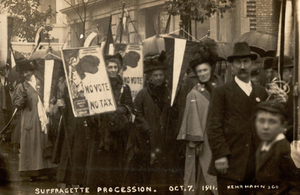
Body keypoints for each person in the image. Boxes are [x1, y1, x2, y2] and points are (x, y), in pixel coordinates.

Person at [206, 42, 268, 195]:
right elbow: (213, 126)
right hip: (229, 165)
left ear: (252, 64)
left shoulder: (261, 92)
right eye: (238, 62)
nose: (242, 66)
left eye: (246, 62)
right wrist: (220, 155)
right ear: (232, 66)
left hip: (255, 167)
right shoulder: (221, 92)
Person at [177, 40, 221, 195]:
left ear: (211, 69)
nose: (202, 74)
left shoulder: (220, 88)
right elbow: (190, 118)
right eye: (199, 71)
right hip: (202, 141)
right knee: (202, 177)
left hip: (218, 139)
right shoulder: (194, 93)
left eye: (205, 70)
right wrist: (196, 140)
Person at [133, 51, 181, 194]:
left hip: (167, 143)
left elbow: (177, 113)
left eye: (161, 75)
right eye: (155, 75)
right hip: (148, 143)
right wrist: (147, 128)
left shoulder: (169, 94)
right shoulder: (142, 95)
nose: (159, 78)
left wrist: (173, 112)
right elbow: (137, 114)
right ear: (150, 77)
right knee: (151, 177)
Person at [85, 53, 133, 190]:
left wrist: (119, 110)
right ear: (105, 69)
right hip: (100, 131)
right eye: (110, 67)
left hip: (116, 132)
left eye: (115, 67)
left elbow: (129, 106)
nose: (112, 70)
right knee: (98, 163)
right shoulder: (98, 86)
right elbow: (90, 105)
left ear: (118, 69)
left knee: (114, 162)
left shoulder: (124, 87)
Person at [13, 59, 56, 181]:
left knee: (45, 141)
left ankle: (48, 169)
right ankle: (32, 171)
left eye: (27, 72)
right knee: (32, 144)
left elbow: (48, 96)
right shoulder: (21, 87)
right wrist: (22, 99)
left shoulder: (41, 83)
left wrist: (50, 101)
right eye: (23, 73)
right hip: (30, 119)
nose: (25, 75)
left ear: (32, 71)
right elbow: (17, 105)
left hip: (43, 117)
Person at [253, 101, 300, 195]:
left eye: (272, 122)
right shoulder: (264, 145)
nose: (265, 127)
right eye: (261, 121)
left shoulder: (284, 151)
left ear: (283, 126)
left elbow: (296, 186)